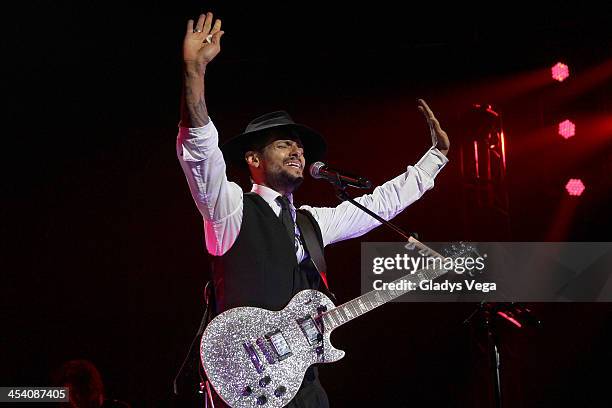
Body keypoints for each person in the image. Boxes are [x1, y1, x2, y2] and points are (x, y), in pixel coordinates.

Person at [176, 11, 450, 408]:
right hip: (250, 385)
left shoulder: (312, 221)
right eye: (283, 143)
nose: (297, 150)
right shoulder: (230, 209)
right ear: (252, 157)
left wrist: (436, 158)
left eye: (300, 146)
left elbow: (380, 203)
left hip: (304, 383)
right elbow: (200, 154)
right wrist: (194, 72)